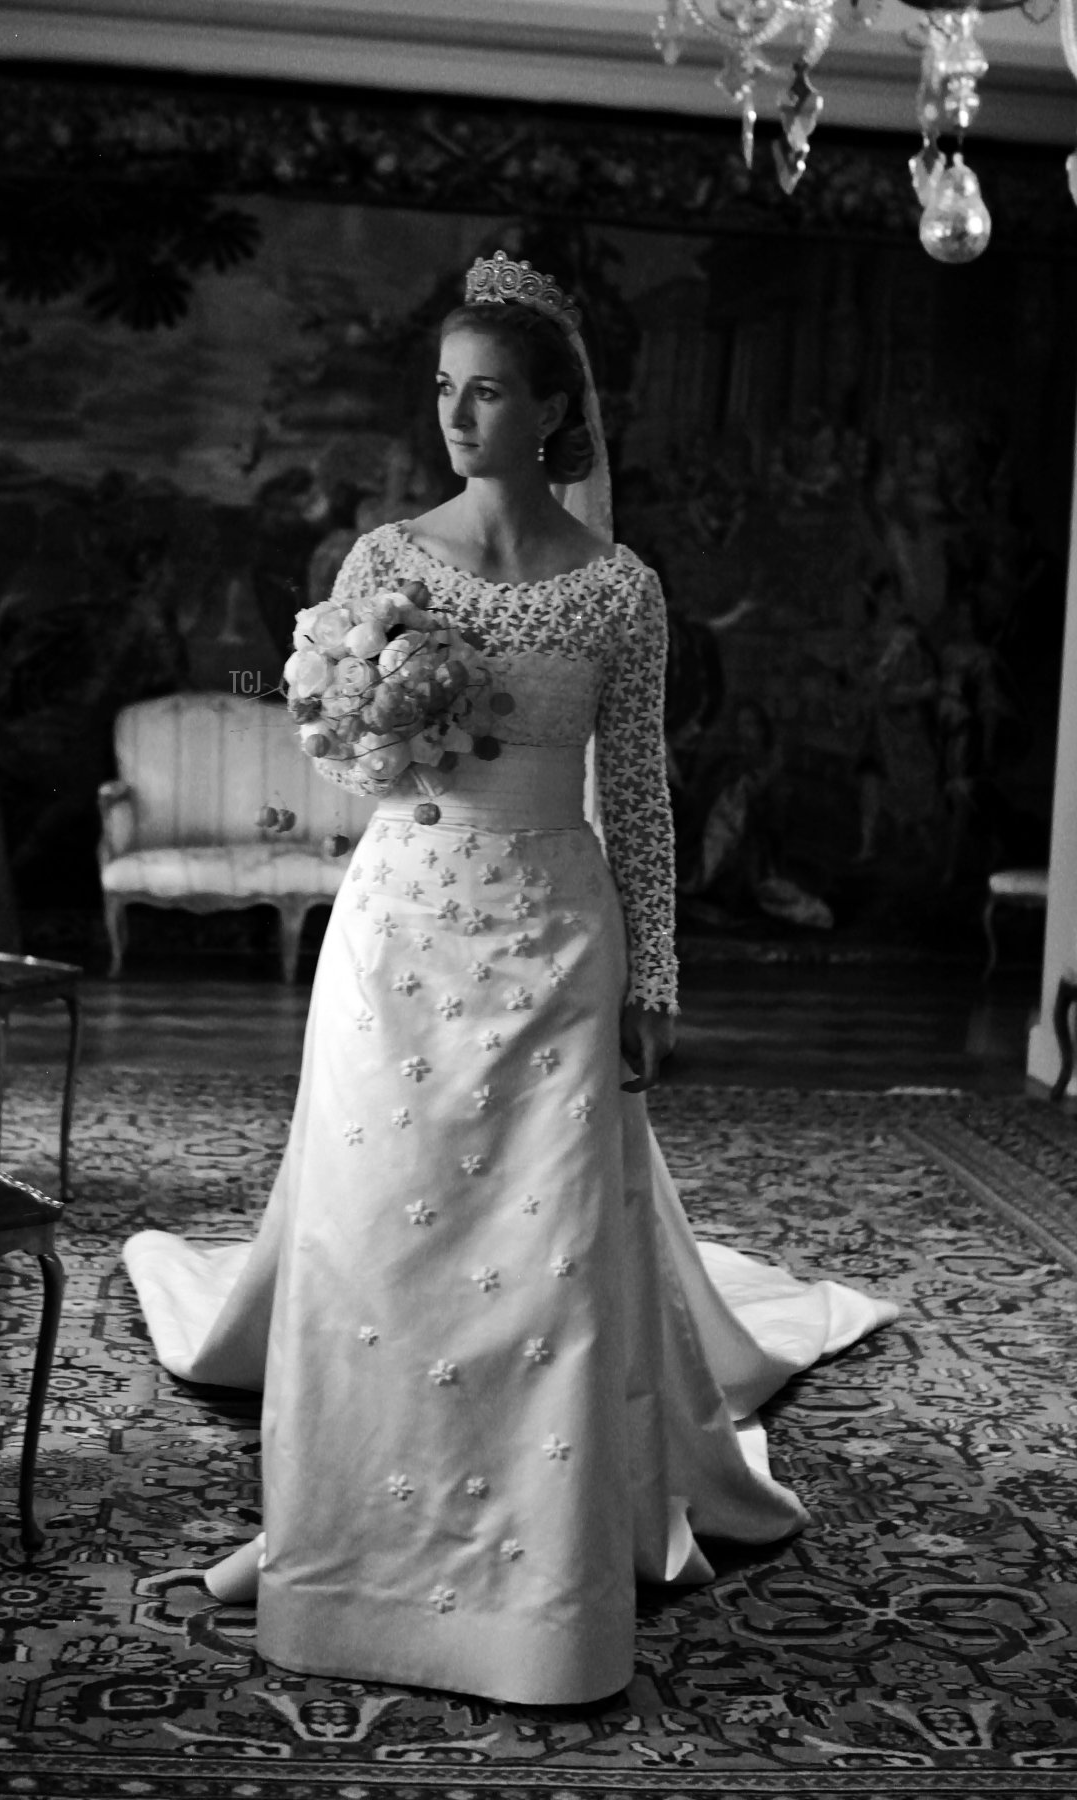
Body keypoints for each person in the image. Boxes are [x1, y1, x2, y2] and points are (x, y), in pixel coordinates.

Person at [123, 249, 895, 1708]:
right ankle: (345, 1545)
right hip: (401, 933)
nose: (457, 418)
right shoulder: (383, 562)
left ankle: (533, 1582)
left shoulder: (622, 591)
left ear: (554, 410)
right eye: (442, 392)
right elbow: (335, 763)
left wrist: (654, 980)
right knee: (381, 1246)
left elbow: (645, 796)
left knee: (536, 1268)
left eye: (487, 394)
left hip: (557, 933)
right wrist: (375, 727)